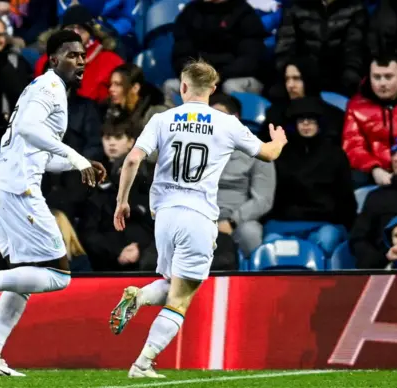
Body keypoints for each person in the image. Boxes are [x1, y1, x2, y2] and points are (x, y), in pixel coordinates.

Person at [109, 59, 288, 378]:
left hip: (163, 215)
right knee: (181, 297)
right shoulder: (227, 123)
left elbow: (134, 158)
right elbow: (269, 154)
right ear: (213, 89)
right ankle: (143, 363)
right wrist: (279, 141)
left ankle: (141, 296)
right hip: (199, 215)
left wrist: (122, 202)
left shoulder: (163, 119)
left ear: (182, 87)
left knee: (170, 282)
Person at [0, 30, 107, 377]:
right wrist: (76, 156)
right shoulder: (49, 87)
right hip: (16, 188)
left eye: (82, 55)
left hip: (2, 182)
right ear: (52, 59)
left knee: (24, 278)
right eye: (71, 55)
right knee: (59, 274)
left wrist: (79, 164)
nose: (79, 61)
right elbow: (31, 129)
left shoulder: (42, 89)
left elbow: (34, 149)